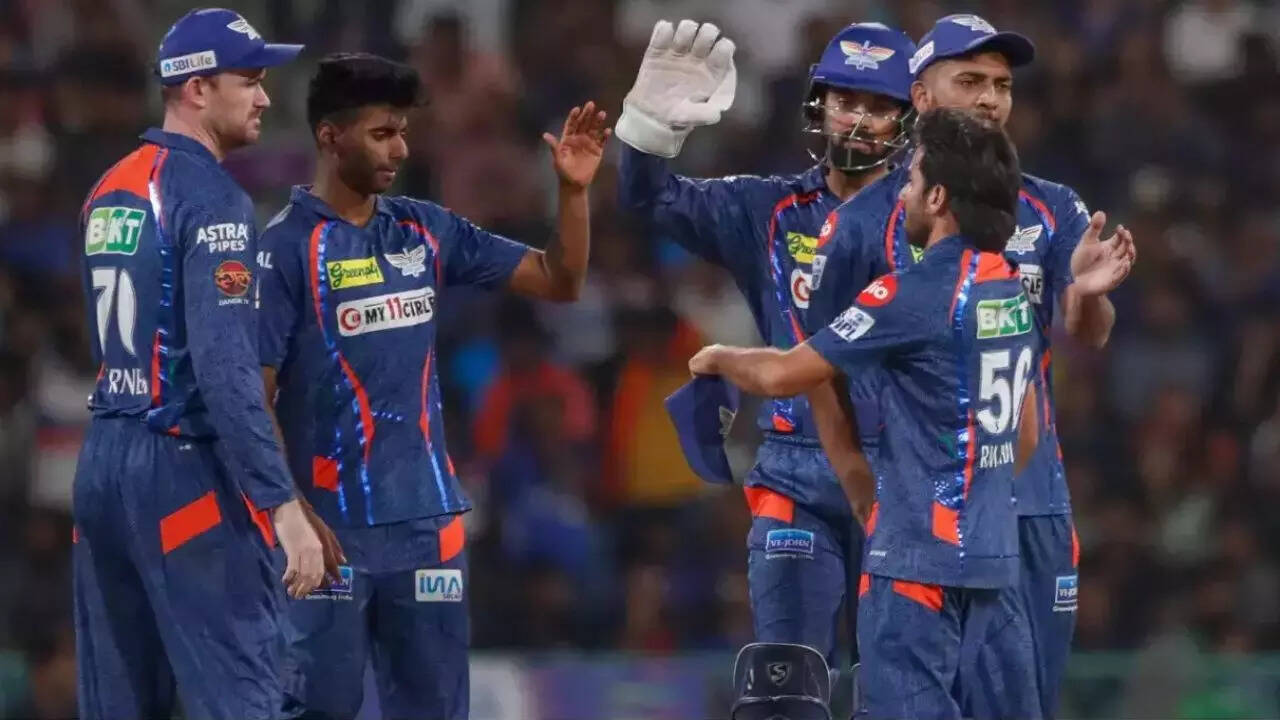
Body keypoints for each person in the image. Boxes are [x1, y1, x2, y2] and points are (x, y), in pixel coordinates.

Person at [257, 53, 608, 719]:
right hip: (328, 534)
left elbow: (559, 279)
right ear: (330, 136)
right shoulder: (284, 250)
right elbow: (256, 396)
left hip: (429, 529)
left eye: (402, 132)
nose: (400, 149)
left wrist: (572, 192)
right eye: (380, 133)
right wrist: (288, 511)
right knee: (321, 706)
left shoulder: (422, 228)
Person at [806, 15, 1136, 717]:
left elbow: (1089, 332)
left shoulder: (1052, 208)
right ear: (921, 96)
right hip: (920, 520)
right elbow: (817, 364)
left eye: (1002, 85)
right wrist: (854, 476)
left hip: (1030, 505)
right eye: (970, 81)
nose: (990, 98)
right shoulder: (864, 222)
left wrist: (1087, 295)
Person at [690, 107, 1042, 720]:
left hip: (914, 567)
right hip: (993, 565)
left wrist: (719, 357)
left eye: (911, 181)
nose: (900, 194)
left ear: (938, 197)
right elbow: (1026, 436)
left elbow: (783, 374)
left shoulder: (914, 293)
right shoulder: (1013, 290)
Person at [616, 18, 915, 676]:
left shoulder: (933, 219)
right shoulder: (766, 209)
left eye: (878, 105)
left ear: (906, 117)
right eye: (846, 100)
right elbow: (646, 198)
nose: (859, 120)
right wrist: (649, 130)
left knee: (900, 689)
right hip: (794, 477)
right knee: (787, 680)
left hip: (906, 473)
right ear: (820, 106)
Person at [73, 8, 327, 719]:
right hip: (178, 466)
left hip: (102, 460)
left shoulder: (108, 187)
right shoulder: (213, 199)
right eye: (249, 80)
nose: (265, 97)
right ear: (197, 88)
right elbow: (225, 370)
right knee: (245, 696)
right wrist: (282, 506)